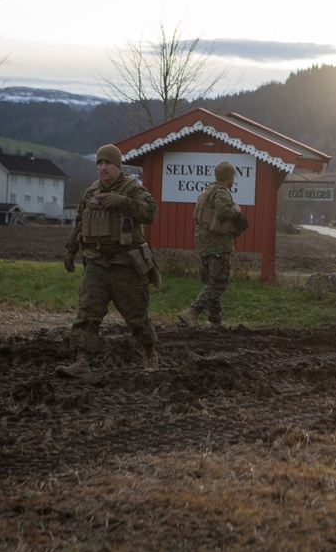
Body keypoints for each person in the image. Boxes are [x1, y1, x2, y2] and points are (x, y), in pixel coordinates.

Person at [57, 144, 160, 378]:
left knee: (137, 317)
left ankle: (150, 355)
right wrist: (71, 249)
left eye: (108, 163)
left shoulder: (132, 189)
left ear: (118, 166)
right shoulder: (91, 192)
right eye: (99, 163)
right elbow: (81, 221)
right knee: (86, 315)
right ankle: (82, 363)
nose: (103, 168)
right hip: (96, 264)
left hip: (126, 266)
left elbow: (150, 212)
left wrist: (123, 202)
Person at [179, 160, 243, 328]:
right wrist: (236, 210)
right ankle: (192, 312)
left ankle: (215, 320)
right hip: (218, 244)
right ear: (229, 177)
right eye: (233, 176)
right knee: (219, 281)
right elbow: (222, 212)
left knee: (211, 281)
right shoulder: (222, 192)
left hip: (204, 244)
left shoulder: (206, 192)